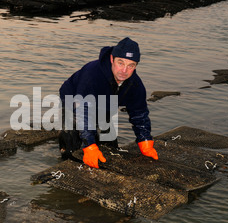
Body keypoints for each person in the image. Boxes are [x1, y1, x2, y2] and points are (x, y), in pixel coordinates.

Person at [59, 37, 158, 168]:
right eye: (121, 63)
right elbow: (83, 113)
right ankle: (67, 157)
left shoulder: (135, 84)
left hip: (105, 103)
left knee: (109, 145)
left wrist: (145, 141)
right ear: (112, 59)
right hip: (75, 99)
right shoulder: (92, 74)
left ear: (135, 66)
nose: (124, 70)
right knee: (75, 145)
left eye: (130, 65)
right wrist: (89, 146)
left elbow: (139, 114)